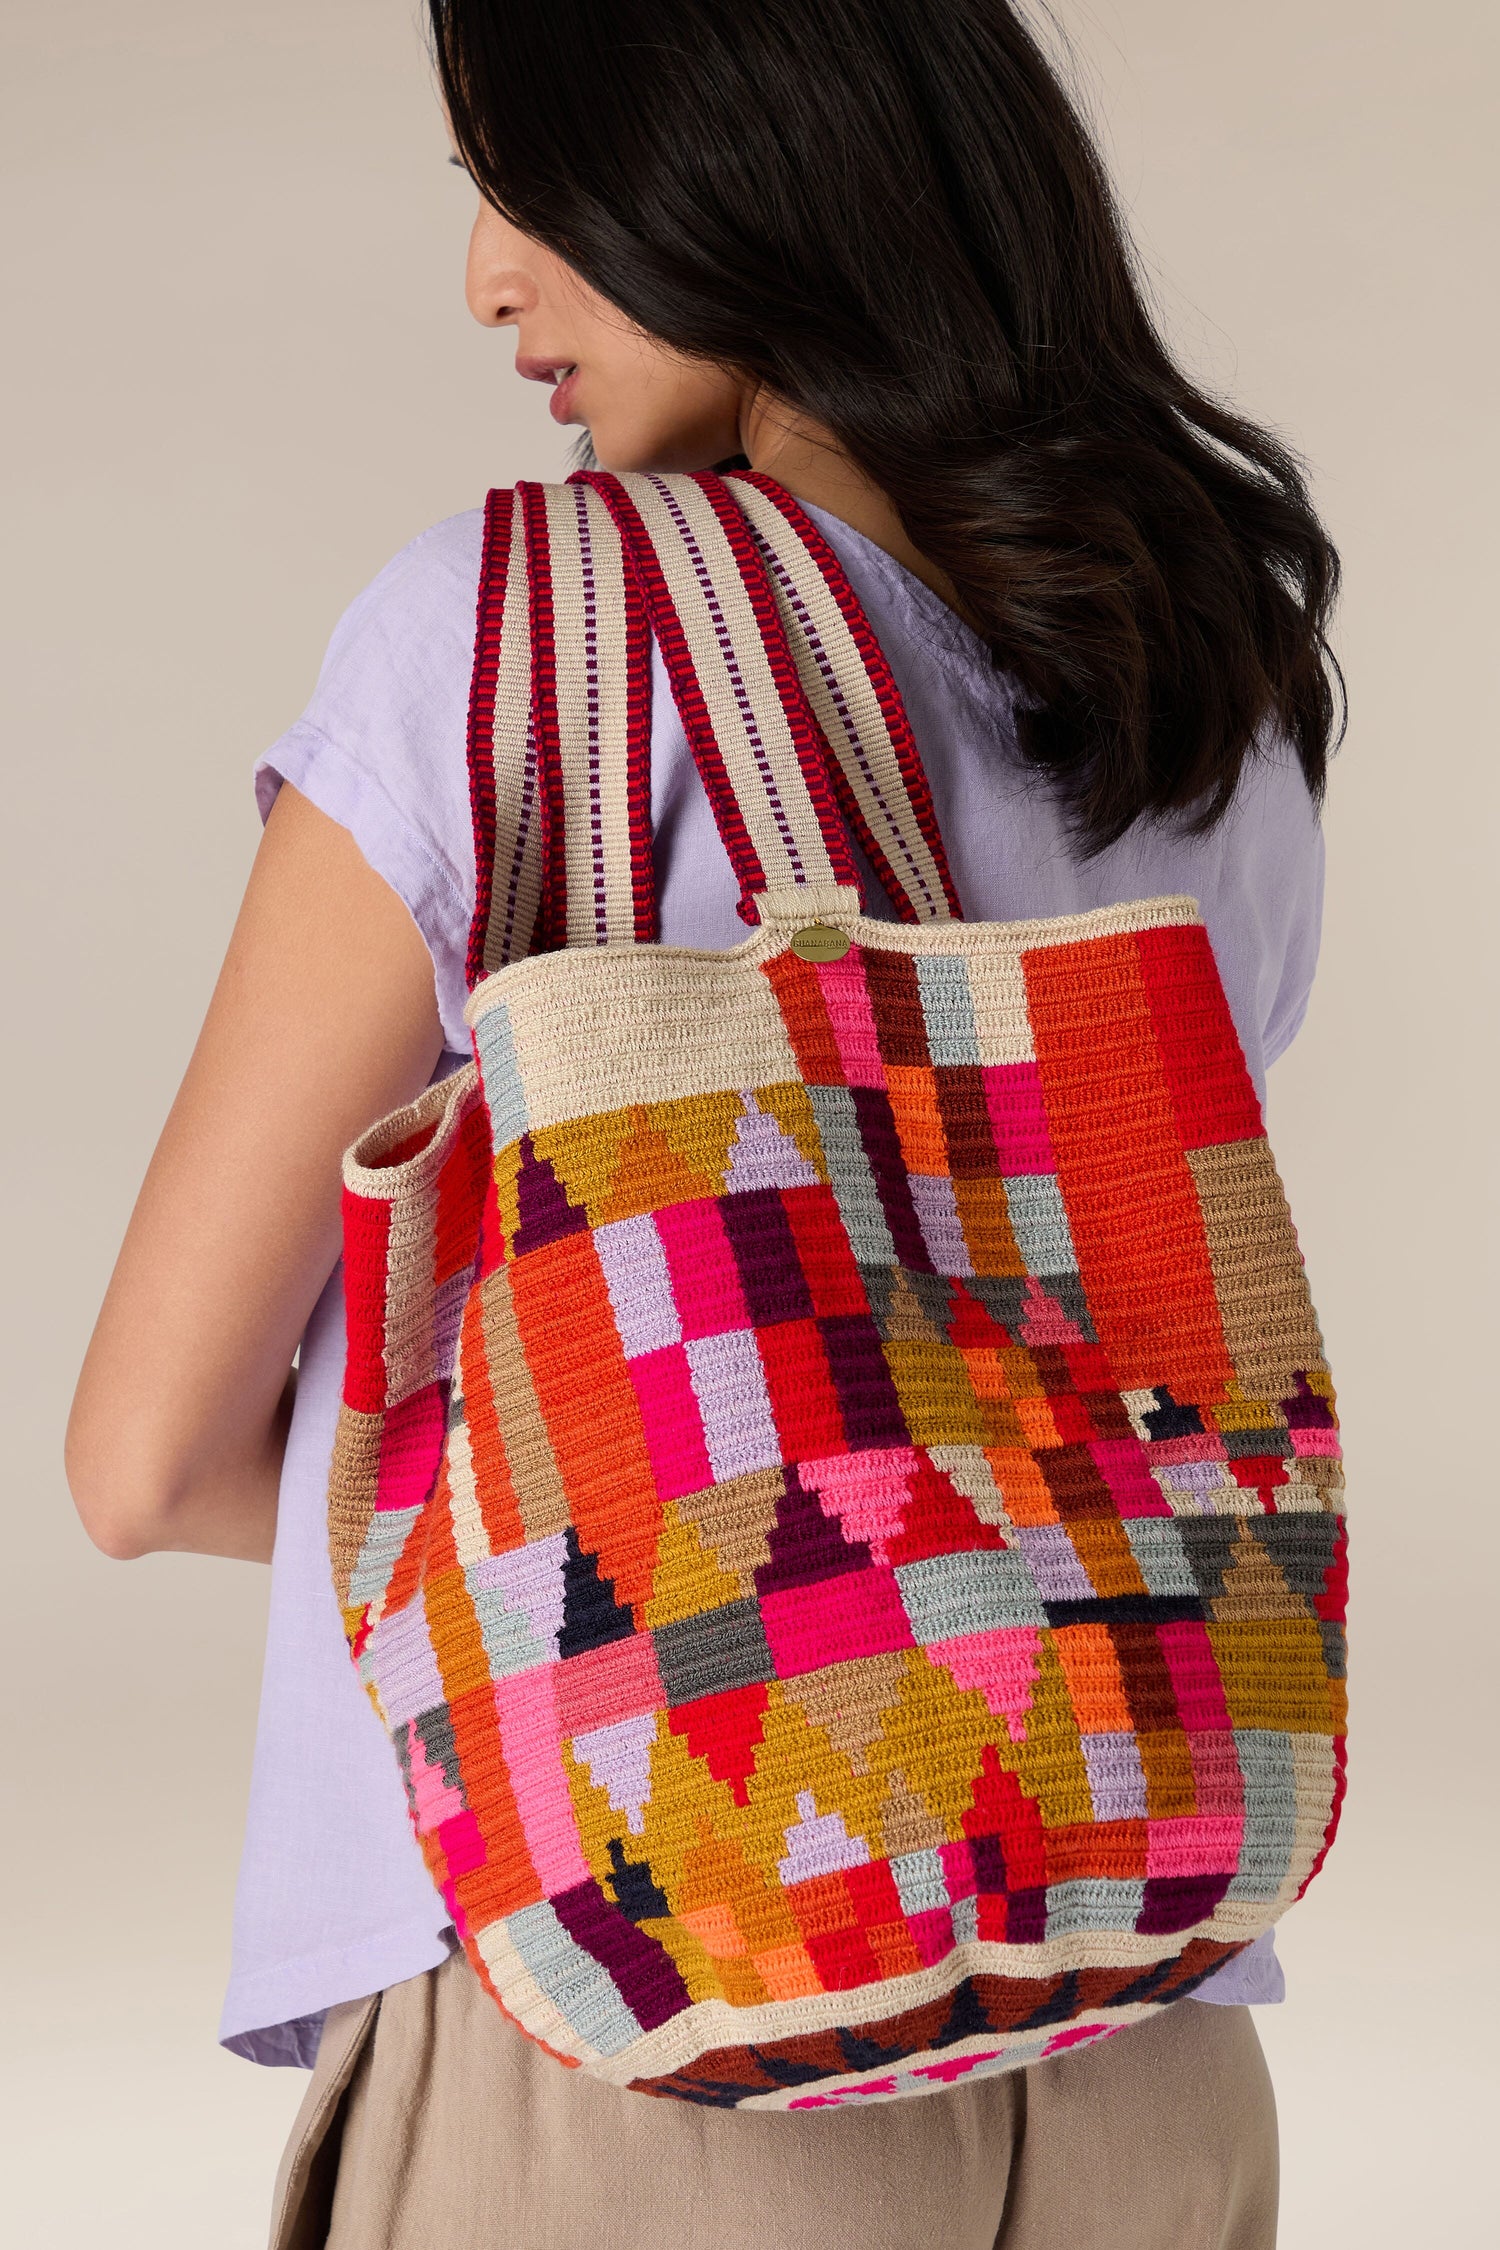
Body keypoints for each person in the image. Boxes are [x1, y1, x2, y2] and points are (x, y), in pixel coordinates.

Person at [66, 4, 1340, 2244]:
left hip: (649, 2003)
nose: (487, 273)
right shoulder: (1206, 688)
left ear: (753, 161)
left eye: (534, 179)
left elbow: (146, 1459)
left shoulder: (502, 642)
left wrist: (669, 1545)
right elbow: (1090, 1376)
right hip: (1149, 2028)